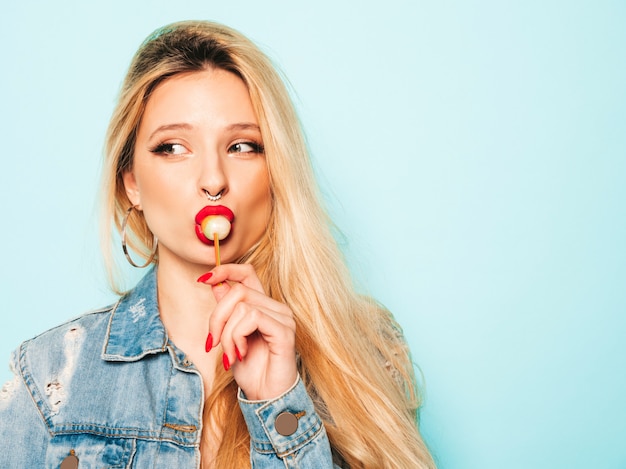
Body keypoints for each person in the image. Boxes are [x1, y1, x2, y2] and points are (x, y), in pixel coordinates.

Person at [0, 20, 436, 468]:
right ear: (131, 182)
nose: (213, 180)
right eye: (172, 147)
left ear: (277, 171)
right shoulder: (51, 376)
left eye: (243, 146)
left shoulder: (368, 355)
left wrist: (280, 405)